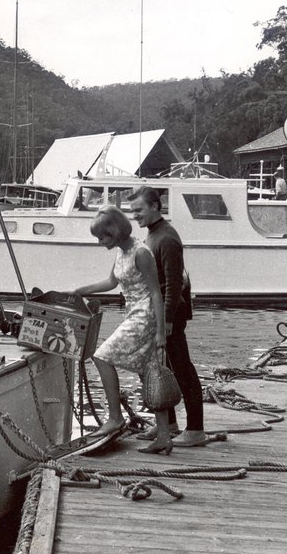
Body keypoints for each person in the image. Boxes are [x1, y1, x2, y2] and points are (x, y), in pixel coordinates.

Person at [70, 206, 172, 454]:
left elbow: (157, 293)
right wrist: (79, 291)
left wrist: (160, 331)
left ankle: (115, 418)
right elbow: (111, 282)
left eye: (102, 237)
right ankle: (164, 435)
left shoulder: (141, 253)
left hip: (145, 313)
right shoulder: (121, 252)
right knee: (148, 370)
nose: (99, 242)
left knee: (101, 355)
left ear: (114, 232)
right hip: (134, 311)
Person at [128, 186, 207, 448]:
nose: (135, 215)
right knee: (163, 369)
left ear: (154, 206)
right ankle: (169, 424)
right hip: (158, 314)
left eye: (139, 210)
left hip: (169, 316)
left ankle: (196, 429)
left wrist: (169, 321)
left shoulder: (167, 238)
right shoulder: (153, 235)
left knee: (182, 370)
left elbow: (174, 285)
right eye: (132, 211)